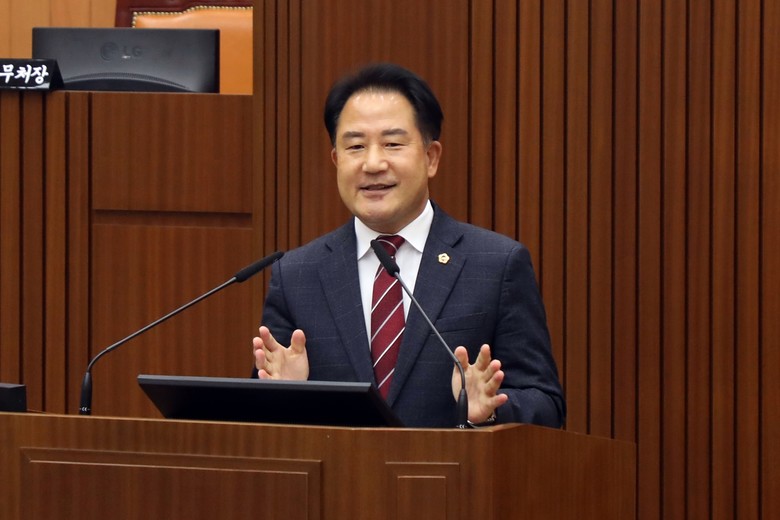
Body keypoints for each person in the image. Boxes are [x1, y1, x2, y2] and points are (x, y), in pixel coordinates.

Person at [252, 63, 565, 428]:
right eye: (355, 146)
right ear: (336, 159)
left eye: (392, 144)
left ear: (431, 157)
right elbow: (258, 419)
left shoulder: (496, 265)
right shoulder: (297, 275)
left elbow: (546, 405)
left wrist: (490, 409)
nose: (373, 163)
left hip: (451, 466)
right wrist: (285, 397)